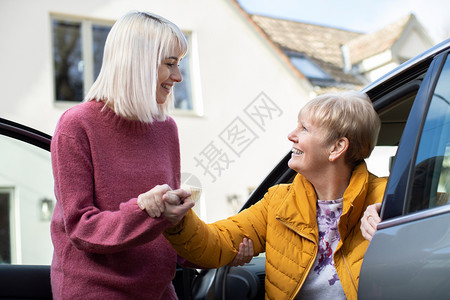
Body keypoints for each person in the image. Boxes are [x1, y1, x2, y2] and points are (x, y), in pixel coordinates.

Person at [50, 11, 250, 299]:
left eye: (179, 65)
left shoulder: (166, 129)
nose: (178, 77)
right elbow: (81, 228)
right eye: (170, 64)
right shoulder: (77, 125)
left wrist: (221, 253)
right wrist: (147, 212)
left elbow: (169, 228)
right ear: (137, 62)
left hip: (160, 291)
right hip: (96, 291)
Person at [140, 91, 388, 300]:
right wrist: (178, 220)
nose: (291, 135)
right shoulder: (279, 201)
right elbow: (215, 243)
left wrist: (388, 225)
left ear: (336, 148)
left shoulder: (388, 196)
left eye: (304, 128)